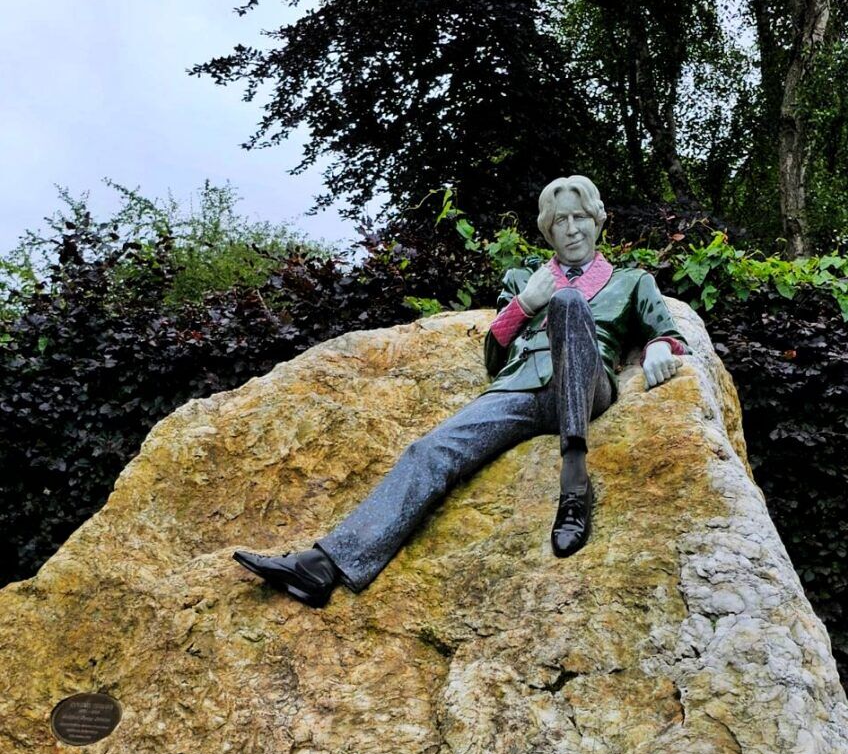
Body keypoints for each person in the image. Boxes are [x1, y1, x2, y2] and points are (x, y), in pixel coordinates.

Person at [233, 175, 689, 607]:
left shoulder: (632, 281)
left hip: (585, 387)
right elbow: (495, 360)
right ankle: (322, 566)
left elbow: (667, 333)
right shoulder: (523, 279)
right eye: (560, 222)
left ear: (598, 220)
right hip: (519, 388)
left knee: (569, 302)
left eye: (580, 218)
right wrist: (527, 301)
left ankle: (574, 484)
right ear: (548, 232)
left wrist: (657, 349)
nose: (572, 230)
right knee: (429, 451)